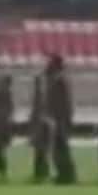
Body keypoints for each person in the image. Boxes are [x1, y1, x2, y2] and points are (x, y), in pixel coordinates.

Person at [44, 54, 76, 185]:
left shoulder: (60, 79)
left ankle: (66, 176)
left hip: (60, 118)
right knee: (59, 148)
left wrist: (64, 119)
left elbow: (65, 102)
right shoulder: (55, 78)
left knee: (61, 148)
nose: (47, 64)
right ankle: (64, 174)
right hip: (57, 117)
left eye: (50, 62)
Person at [28, 74, 51, 183]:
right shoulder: (42, 94)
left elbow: (39, 110)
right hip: (40, 124)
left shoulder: (41, 94)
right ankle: (41, 172)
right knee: (40, 151)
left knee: (41, 150)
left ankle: (41, 172)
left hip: (41, 125)